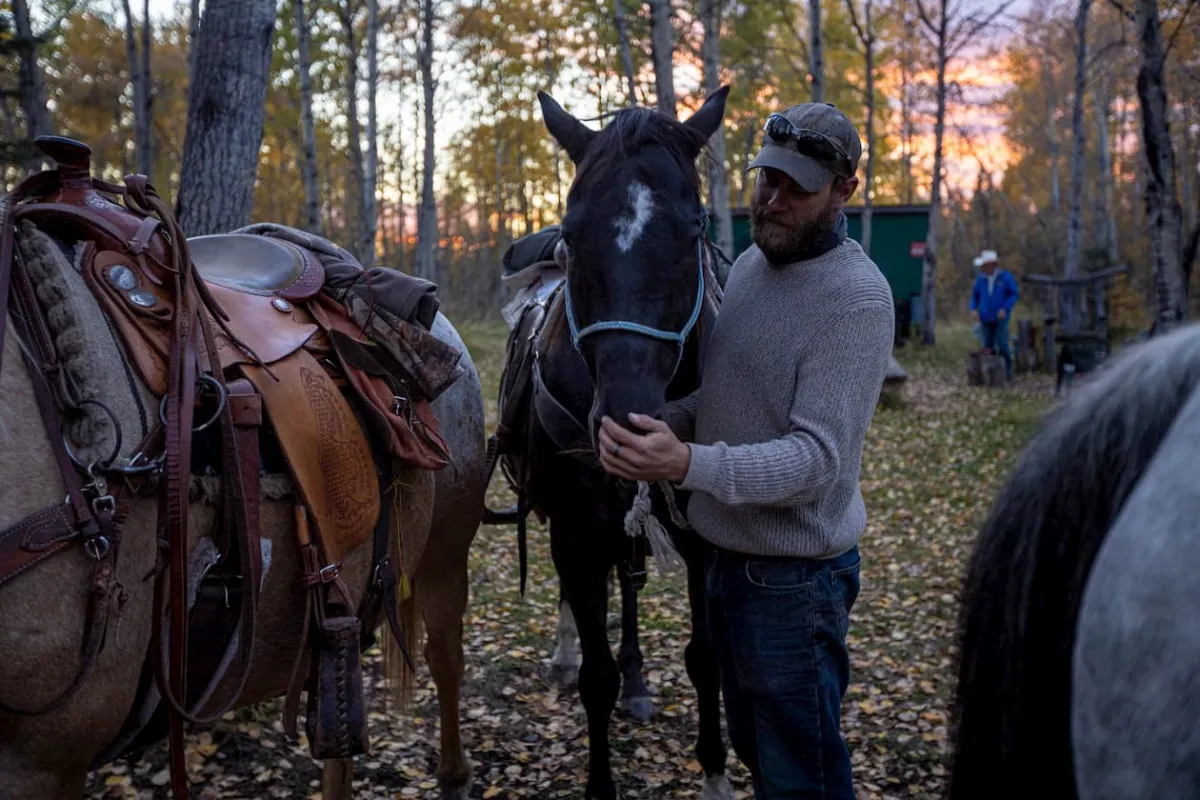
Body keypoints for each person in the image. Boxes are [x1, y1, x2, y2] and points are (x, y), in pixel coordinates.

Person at [595, 102, 895, 799]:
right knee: (762, 759)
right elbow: (730, 398)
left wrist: (686, 464)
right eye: (767, 179)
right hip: (725, 566)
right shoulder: (756, 267)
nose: (772, 198)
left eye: (797, 187)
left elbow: (817, 462)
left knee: (802, 776)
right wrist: (662, 423)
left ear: (844, 190)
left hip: (794, 584)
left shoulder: (856, 299)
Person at [969, 249, 1020, 379]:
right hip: (985, 317)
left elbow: (1014, 294)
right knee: (987, 347)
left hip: (1000, 317)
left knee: (1003, 345)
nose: (982, 268)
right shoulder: (981, 279)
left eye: (985, 266)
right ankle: (990, 375)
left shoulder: (1005, 277)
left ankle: (1007, 373)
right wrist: (973, 308)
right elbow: (975, 295)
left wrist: (1005, 308)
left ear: (992, 265)